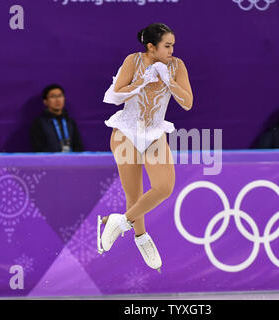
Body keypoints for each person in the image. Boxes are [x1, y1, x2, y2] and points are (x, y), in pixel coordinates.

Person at [98, 23, 193, 272]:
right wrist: (141, 82)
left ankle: (118, 222)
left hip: (153, 132)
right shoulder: (133, 60)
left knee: (164, 187)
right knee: (134, 195)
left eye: (173, 45)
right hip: (126, 131)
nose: (172, 49)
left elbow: (188, 103)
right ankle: (141, 238)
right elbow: (114, 96)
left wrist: (170, 82)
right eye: (167, 45)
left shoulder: (177, 65)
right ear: (151, 46)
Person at [30, 84, 84, 153]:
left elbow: (78, 146)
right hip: (50, 162)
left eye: (60, 96)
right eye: (53, 96)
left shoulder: (70, 122)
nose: (57, 100)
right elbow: (38, 148)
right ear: (45, 101)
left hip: (71, 161)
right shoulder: (39, 123)